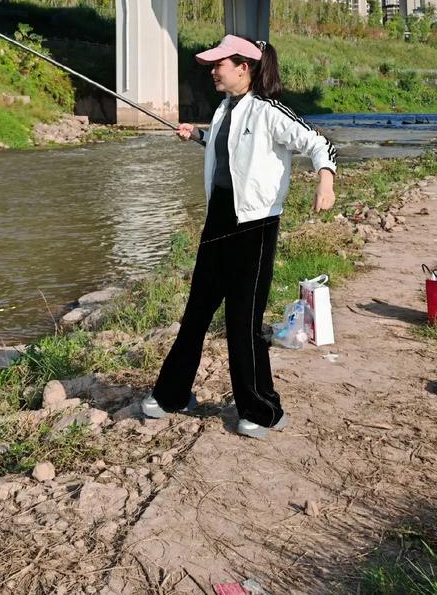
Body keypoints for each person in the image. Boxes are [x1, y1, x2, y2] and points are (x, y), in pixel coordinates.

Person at [141, 34, 337, 438]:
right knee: (196, 312)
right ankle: (170, 395)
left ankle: (261, 411)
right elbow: (230, 148)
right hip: (218, 221)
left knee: (243, 320)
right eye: (213, 65)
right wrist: (197, 136)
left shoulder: (270, 112)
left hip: (256, 226)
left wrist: (326, 182)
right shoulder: (223, 109)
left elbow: (319, 142)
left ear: (244, 67)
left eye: (219, 65)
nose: (213, 71)